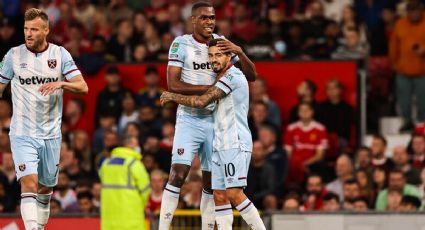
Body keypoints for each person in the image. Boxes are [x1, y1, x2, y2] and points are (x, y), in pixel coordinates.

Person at [159, 2, 257, 230]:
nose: (209, 22)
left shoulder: (221, 44)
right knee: (178, 173)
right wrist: (211, 90)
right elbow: (173, 83)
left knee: (211, 183)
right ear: (193, 20)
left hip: (215, 121)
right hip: (189, 119)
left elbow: (250, 76)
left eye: (212, 18)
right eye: (204, 18)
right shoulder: (181, 44)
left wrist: (239, 51)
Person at [0, 8, 88, 230]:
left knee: (45, 189)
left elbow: (83, 87)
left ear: (46, 30)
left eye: (34, 29)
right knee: (28, 184)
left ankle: (38, 227)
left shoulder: (60, 55)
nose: (28, 34)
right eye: (26, 29)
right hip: (22, 133)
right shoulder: (13, 55)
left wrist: (62, 83)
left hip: (51, 134)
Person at [99, 135, 151, 230]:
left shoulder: (106, 163)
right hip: (131, 219)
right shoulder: (134, 164)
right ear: (130, 145)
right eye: (136, 144)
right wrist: (140, 206)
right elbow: (146, 190)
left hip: (109, 220)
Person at [389, 0, 425, 131]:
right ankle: (407, 123)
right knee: (403, 101)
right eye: (411, 11)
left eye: (416, 11)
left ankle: (422, 125)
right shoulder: (400, 23)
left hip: (423, 71)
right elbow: (394, 45)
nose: (414, 14)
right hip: (402, 70)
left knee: (423, 100)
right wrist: (393, 63)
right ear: (407, 12)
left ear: (421, 10)